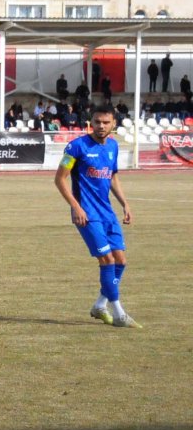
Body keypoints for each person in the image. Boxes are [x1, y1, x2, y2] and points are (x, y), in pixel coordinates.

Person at [54, 106, 142, 329]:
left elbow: (112, 177)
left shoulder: (113, 146)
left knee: (121, 261)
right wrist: (76, 207)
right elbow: (60, 179)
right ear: (90, 122)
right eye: (97, 122)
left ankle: (100, 305)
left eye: (105, 122)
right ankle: (119, 314)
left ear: (113, 124)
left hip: (107, 213)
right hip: (87, 214)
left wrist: (125, 204)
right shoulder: (77, 147)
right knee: (107, 261)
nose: (101, 126)